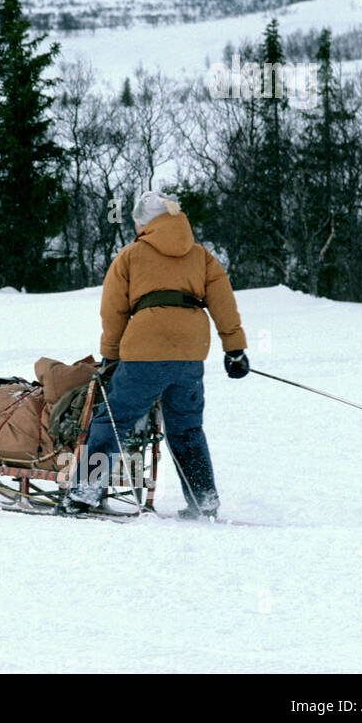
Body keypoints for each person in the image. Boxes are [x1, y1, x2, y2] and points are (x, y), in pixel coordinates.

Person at [60, 190, 249, 519]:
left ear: (144, 222)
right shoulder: (201, 256)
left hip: (144, 350)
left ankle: (82, 494)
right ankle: (202, 500)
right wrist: (235, 350)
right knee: (187, 428)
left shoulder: (131, 255)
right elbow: (224, 302)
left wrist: (110, 356)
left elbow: (113, 311)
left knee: (113, 420)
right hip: (190, 352)